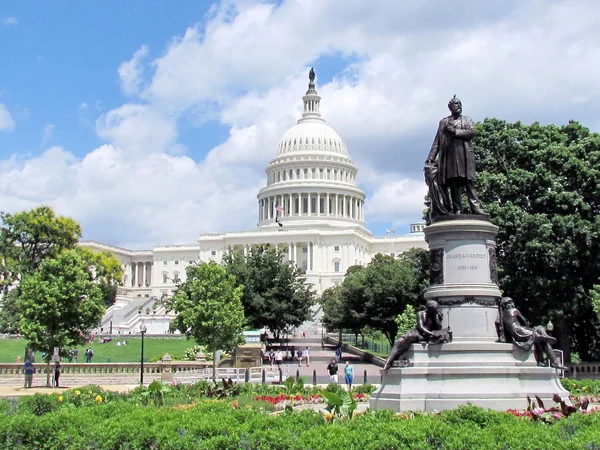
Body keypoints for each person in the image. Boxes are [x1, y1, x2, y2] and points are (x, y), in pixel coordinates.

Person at [425, 96, 484, 215]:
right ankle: (458, 208)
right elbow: (437, 142)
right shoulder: (444, 122)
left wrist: (454, 131)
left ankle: (476, 208)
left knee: (469, 182)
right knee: (454, 183)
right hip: (450, 157)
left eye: (460, 104)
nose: (458, 106)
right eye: (456, 104)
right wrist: (430, 158)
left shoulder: (467, 120)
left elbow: (472, 132)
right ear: (450, 107)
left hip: (465, 155)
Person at [497, 297, 566, 369]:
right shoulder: (515, 310)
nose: (512, 304)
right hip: (520, 331)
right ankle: (553, 359)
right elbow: (524, 322)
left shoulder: (502, 315)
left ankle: (542, 340)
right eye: (510, 302)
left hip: (515, 334)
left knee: (539, 336)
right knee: (540, 331)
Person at [383, 300, 452, 371]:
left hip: (425, 336)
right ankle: (389, 362)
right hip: (418, 332)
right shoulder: (420, 313)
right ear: (428, 308)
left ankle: (391, 360)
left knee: (409, 337)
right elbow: (420, 327)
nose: (434, 312)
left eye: (435, 310)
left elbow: (438, 328)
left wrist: (436, 317)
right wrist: (431, 333)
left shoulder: (435, 315)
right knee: (399, 341)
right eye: (432, 310)